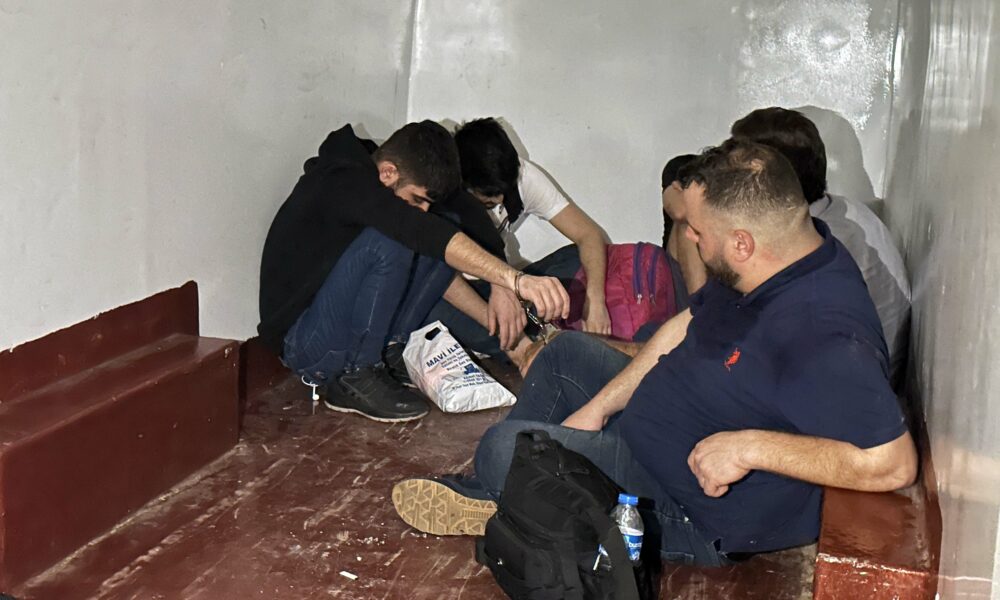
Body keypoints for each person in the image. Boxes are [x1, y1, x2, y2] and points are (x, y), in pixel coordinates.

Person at [391, 139, 917, 566]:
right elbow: (688, 323)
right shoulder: (781, 256)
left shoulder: (823, 333)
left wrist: (749, 449)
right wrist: (599, 409)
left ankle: (506, 489)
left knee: (502, 448)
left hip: (684, 502)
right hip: (655, 429)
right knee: (565, 353)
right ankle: (509, 493)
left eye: (697, 231)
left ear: (741, 243)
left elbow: (893, 464)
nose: (689, 238)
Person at [257, 121, 568, 423]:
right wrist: (516, 280)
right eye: (417, 198)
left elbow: (466, 211)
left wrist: (500, 284)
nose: (421, 208)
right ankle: (356, 374)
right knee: (398, 238)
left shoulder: (387, 175)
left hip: (339, 329)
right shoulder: (342, 180)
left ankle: (388, 353)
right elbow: (417, 228)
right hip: (303, 344)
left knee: (439, 228)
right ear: (388, 173)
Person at [729, 107, 911, 386]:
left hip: (849, 387)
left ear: (766, 178)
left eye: (733, 172)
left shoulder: (819, 243)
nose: (726, 184)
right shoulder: (837, 211)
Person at [423, 117, 611, 360]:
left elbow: (589, 234)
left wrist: (595, 302)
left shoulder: (522, 175)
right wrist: (512, 334)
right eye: (489, 198)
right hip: (459, 291)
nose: (501, 200)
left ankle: (528, 325)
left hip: (511, 282)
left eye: (504, 191)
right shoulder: (441, 192)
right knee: (431, 309)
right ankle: (523, 332)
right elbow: (438, 276)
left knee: (579, 259)